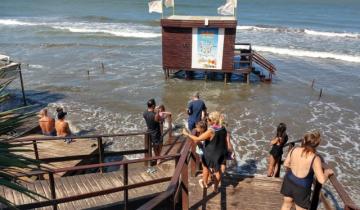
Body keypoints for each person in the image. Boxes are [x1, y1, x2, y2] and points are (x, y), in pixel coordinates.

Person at [280, 131, 334, 210]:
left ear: (304, 141)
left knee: (286, 205)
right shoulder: (315, 158)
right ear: (316, 145)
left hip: (289, 181)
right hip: (302, 188)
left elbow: (286, 164)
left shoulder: (294, 149)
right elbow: (321, 180)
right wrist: (327, 173)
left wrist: (296, 166)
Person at [183, 111, 227, 193]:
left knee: (205, 168)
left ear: (213, 120)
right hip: (220, 152)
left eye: (208, 119)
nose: (207, 121)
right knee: (218, 171)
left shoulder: (211, 130)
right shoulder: (223, 127)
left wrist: (187, 134)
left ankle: (205, 183)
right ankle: (216, 188)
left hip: (211, 154)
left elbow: (198, 139)